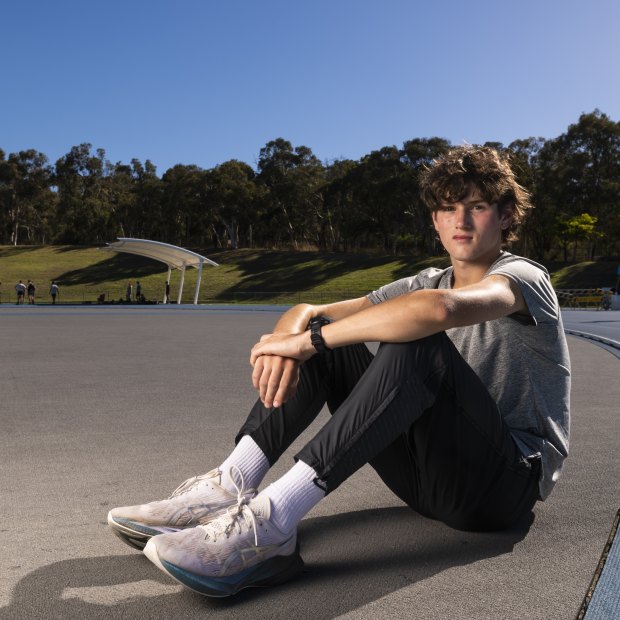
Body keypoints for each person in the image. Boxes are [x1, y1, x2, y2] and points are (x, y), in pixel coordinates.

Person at [108, 146, 571, 598]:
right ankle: (229, 485)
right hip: (424, 480)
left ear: (506, 216)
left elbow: (438, 310)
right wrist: (288, 342)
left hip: (502, 485)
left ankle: (271, 526)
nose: (461, 221)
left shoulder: (524, 277)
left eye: (478, 207)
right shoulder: (425, 280)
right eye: (448, 209)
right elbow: (311, 311)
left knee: (415, 341)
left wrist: (305, 341)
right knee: (328, 336)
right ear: (434, 220)